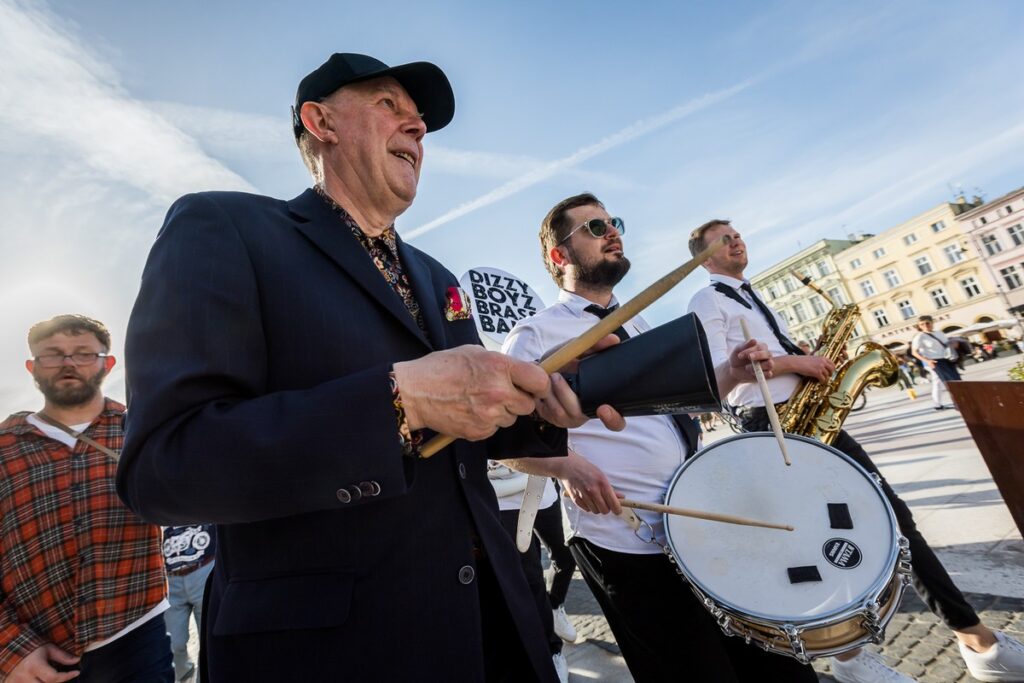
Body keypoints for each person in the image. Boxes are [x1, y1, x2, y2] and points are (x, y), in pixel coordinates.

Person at [116, 53, 621, 683]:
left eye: (420, 121)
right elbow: (165, 466)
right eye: (389, 105)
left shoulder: (437, 277)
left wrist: (546, 392)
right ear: (320, 122)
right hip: (333, 650)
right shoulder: (225, 228)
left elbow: (464, 440)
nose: (418, 128)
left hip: (490, 624)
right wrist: (399, 401)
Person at [687, 219, 1024, 683]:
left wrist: (813, 362)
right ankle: (867, 655)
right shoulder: (706, 300)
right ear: (704, 259)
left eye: (737, 234)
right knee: (827, 538)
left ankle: (964, 641)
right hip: (771, 426)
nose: (737, 241)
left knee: (887, 520)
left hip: (805, 417)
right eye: (724, 240)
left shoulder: (752, 294)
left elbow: (772, 357)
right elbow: (715, 373)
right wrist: (796, 361)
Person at [500, 192, 816, 682]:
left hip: (701, 519)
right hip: (626, 541)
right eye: (596, 227)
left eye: (614, 222)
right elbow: (504, 442)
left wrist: (731, 373)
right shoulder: (533, 334)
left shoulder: (637, 321)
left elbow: (679, 408)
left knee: (774, 663)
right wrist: (565, 467)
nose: (613, 232)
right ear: (559, 255)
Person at [0, 315, 171, 683]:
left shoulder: (144, 432)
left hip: (138, 637)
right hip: (35, 653)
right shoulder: (4, 448)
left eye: (83, 353)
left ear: (107, 364)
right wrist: (9, 647)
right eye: (52, 354)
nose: (68, 363)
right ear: (32, 367)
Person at [487, 463, 570, 682]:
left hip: (540, 482)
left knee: (567, 555)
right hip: (502, 496)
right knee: (532, 578)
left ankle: (555, 606)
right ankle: (552, 651)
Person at [162, 523, 216, 682]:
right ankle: (184, 673)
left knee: (208, 643)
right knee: (174, 644)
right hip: (170, 578)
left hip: (204, 569)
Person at [911, 315, 961, 411]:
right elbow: (914, 352)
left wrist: (954, 344)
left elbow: (946, 345)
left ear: (932, 323)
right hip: (935, 361)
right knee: (950, 382)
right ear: (919, 326)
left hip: (947, 359)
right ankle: (958, 402)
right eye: (922, 324)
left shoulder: (939, 333)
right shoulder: (919, 336)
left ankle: (938, 404)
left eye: (927, 323)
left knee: (941, 381)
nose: (925, 325)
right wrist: (927, 361)